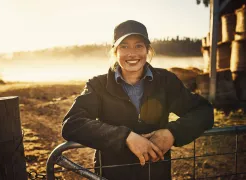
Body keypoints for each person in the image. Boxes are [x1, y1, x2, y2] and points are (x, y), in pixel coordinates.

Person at [62, 20, 214, 180]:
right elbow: (72, 123)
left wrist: (172, 133)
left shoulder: (165, 81)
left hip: (155, 174)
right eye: (124, 46)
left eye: (139, 46)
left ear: (148, 49)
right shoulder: (98, 85)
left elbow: (203, 111)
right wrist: (125, 137)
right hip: (112, 175)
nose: (132, 53)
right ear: (115, 51)